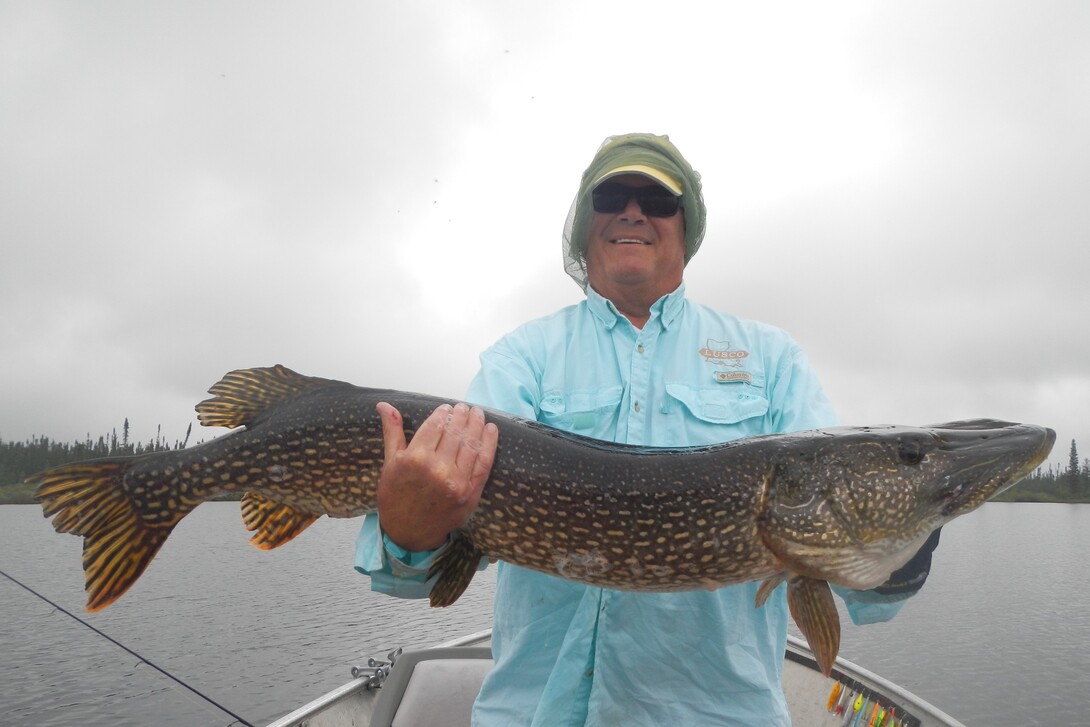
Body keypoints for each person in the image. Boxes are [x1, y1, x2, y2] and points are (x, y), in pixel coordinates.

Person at [355, 133, 937, 726]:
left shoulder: (771, 360)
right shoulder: (521, 359)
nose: (633, 210)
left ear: (687, 231)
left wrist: (914, 518)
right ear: (587, 226)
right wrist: (409, 527)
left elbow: (863, 582)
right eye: (613, 194)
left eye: (658, 200)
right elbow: (423, 571)